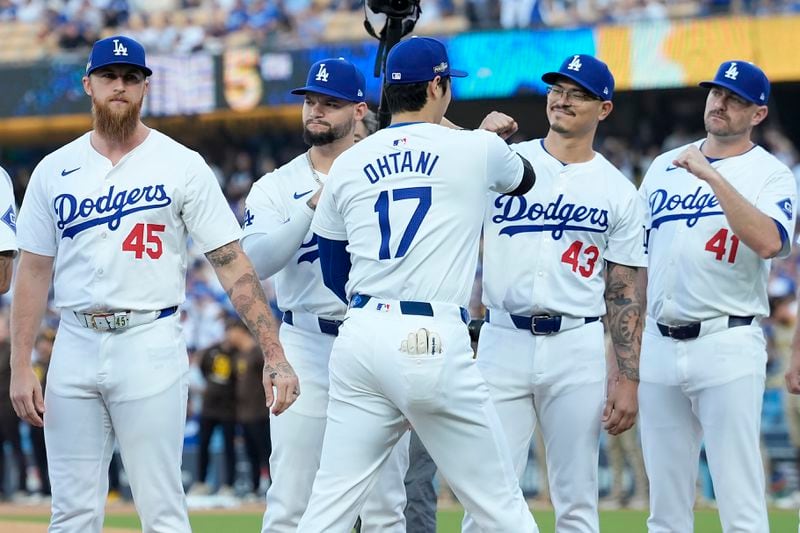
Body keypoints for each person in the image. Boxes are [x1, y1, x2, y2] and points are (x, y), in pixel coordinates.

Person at [9, 35, 298, 533]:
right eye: (108, 77)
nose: (119, 86)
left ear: (145, 87)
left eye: (130, 77)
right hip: (74, 342)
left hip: (148, 337)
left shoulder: (181, 163)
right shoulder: (54, 169)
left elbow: (231, 261)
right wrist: (20, 365)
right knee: (71, 513)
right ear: (89, 85)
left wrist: (273, 351)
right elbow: (33, 269)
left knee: (162, 509)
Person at [298, 36, 539, 533]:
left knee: (329, 508)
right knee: (500, 505)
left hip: (362, 331)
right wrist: (478, 133)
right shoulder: (476, 147)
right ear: (437, 85)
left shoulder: (348, 162)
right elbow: (526, 179)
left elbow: (330, 265)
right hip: (431, 335)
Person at [462, 54, 646, 533]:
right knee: (485, 493)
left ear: (603, 109)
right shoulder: (504, 162)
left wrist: (627, 376)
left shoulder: (618, 190)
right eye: (556, 89)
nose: (562, 99)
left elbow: (624, 291)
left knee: (577, 498)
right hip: (502, 337)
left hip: (576, 343)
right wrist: (477, 138)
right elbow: (428, 143)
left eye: (577, 92)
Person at [241, 57, 410, 533]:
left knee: (383, 506)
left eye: (329, 103)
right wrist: (314, 202)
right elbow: (255, 262)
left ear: (359, 110)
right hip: (307, 341)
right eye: (310, 101)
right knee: (292, 500)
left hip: (377, 333)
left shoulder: (391, 171)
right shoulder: (277, 185)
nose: (315, 110)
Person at [640, 60, 796, 533]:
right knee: (665, 507)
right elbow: (637, 257)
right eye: (716, 93)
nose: (720, 103)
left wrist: (712, 176)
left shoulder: (771, 174)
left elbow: (770, 242)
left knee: (740, 502)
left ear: (758, 115)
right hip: (659, 341)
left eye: (735, 99)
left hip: (726, 339)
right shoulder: (664, 166)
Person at [190, 320, 240, 497]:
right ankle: (201, 482)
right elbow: (203, 370)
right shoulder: (212, 351)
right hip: (209, 407)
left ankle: (228, 485)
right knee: (203, 445)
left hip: (229, 408)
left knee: (229, 447)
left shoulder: (238, 354)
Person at [231, 318, 271, 499]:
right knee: (251, 452)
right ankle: (255, 488)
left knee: (266, 452)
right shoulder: (240, 355)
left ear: (240, 331)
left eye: (230, 331)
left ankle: (272, 486)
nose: (228, 336)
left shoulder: (256, 353)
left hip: (260, 412)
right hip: (244, 413)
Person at [30, 328, 55, 499]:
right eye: (41, 343)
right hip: (37, 415)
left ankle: (55, 490)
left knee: (56, 456)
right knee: (39, 454)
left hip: (54, 415)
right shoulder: (34, 366)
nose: (43, 347)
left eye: (47, 343)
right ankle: (44, 489)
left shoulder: (57, 363)